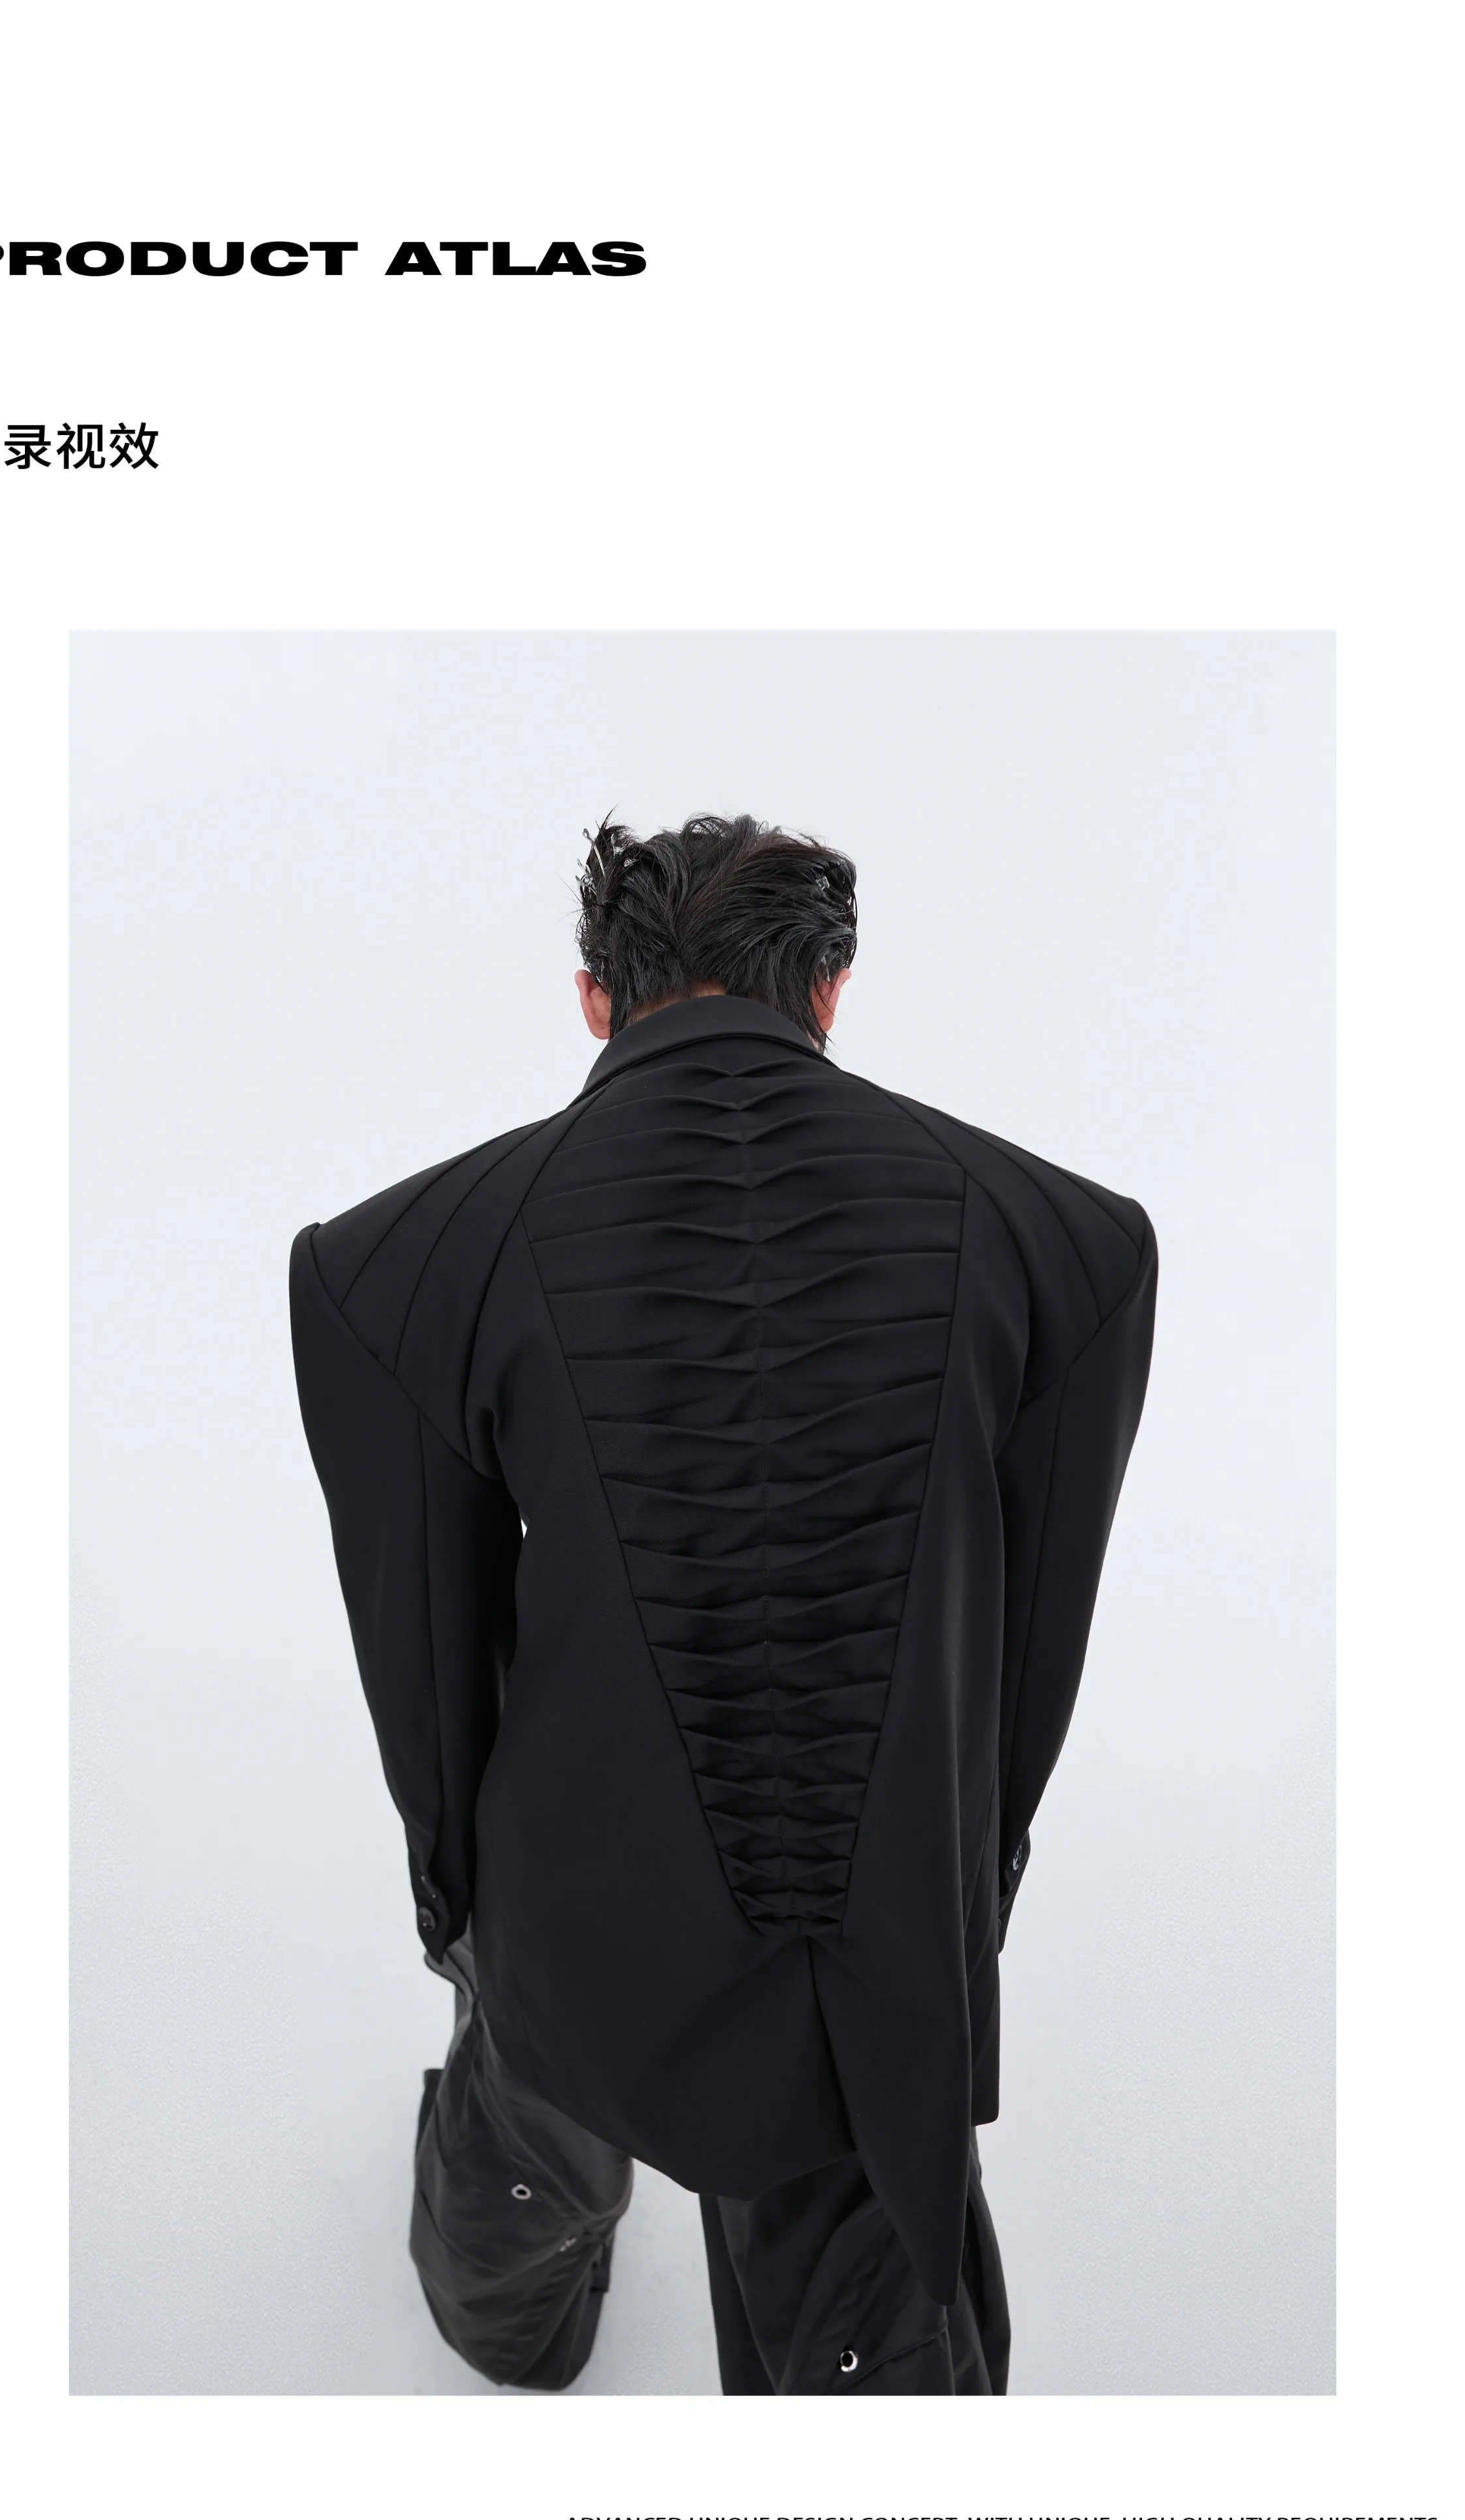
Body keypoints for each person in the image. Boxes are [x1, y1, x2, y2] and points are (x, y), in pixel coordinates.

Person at [289, 813, 1157, 2395]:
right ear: (828, 993)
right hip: (874, 1952)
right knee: (872, 2344)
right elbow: (1027, 1648)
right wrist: (959, 1896)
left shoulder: (397, 1263)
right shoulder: (1066, 1245)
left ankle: (511, 2336)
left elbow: (422, 1652)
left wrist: (468, 1915)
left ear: (591, 999)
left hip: (569, 1908)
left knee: (524, 2151)